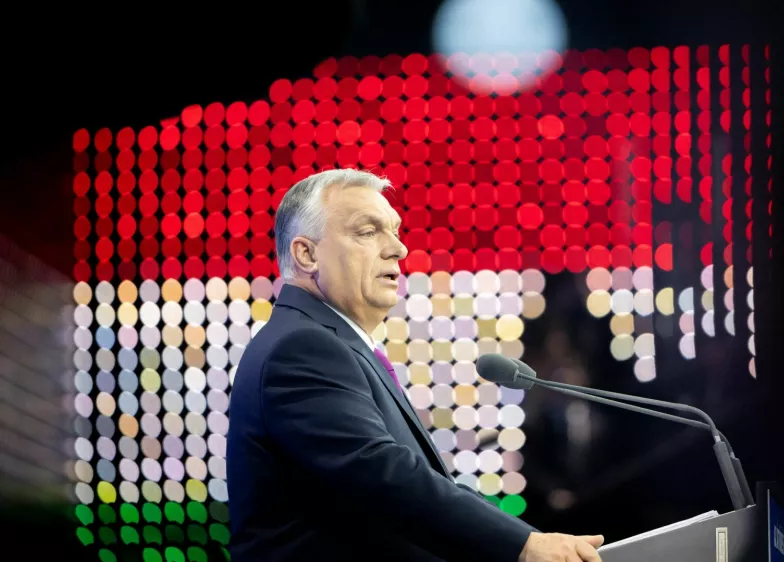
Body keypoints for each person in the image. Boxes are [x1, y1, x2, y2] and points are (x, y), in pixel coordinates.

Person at [227, 168, 604, 561]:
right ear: (306, 254)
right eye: (368, 231)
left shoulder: (328, 342)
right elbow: (383, 475)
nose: (398, 249)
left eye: (395, 231)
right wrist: (524, 544)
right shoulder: (302, 347)